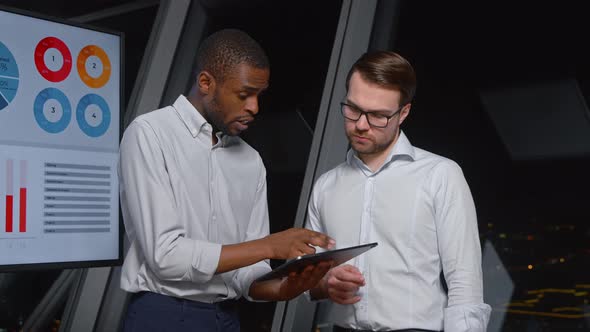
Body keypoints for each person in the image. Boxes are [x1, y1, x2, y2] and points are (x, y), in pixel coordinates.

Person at [119, 29, 334, 332]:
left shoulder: (251, 161)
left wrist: (283, 290)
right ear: (206, 83)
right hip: (163, 315)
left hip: (228, 319)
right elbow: (164, 256)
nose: (254, 107)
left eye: (259, 96)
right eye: (244, 95)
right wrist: (269, 246)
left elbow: (248, 272)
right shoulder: (149, 134)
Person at [306, 51, 491, 332]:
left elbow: (464, 283)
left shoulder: (441, 175)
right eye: (353, 109)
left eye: (379, 116)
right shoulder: (325, 186)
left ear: (403, 113)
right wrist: (327, 283)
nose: (361, 125)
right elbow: (305, 278)